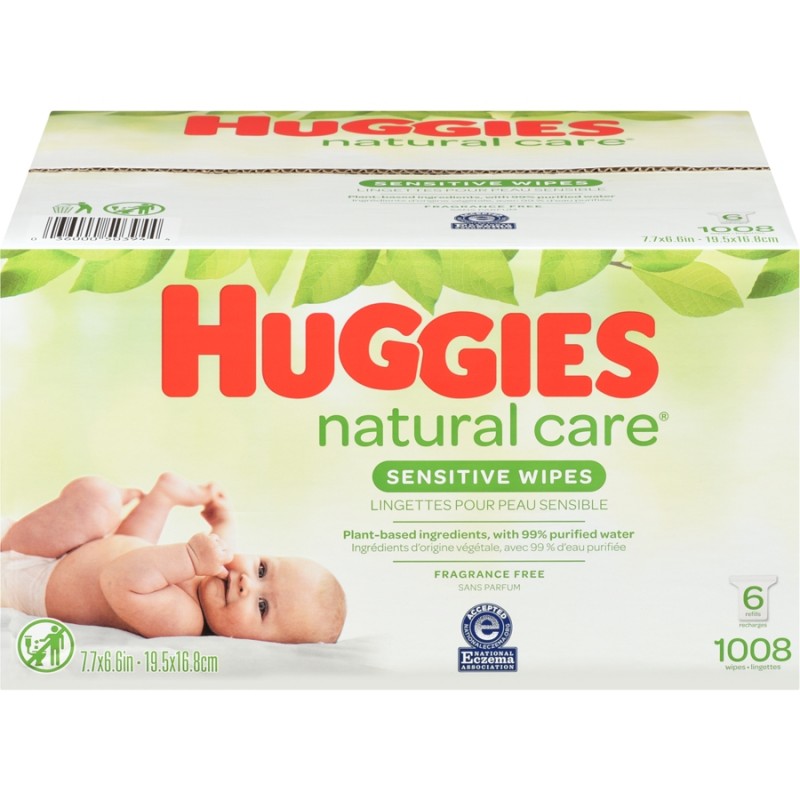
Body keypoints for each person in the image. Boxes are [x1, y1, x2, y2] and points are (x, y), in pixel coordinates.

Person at [1, 474, 346, 644]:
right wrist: (224, 520)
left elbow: (118, 578)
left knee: (97, 500)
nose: (246, 583)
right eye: (262, 569)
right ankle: (163, 497)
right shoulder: (221, 579)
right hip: (85, 552)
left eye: (262, 606)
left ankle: (10, 539)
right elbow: (223, 546)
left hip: (29, 576)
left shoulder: (184, 621)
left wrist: (192, 557)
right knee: (129, 539)